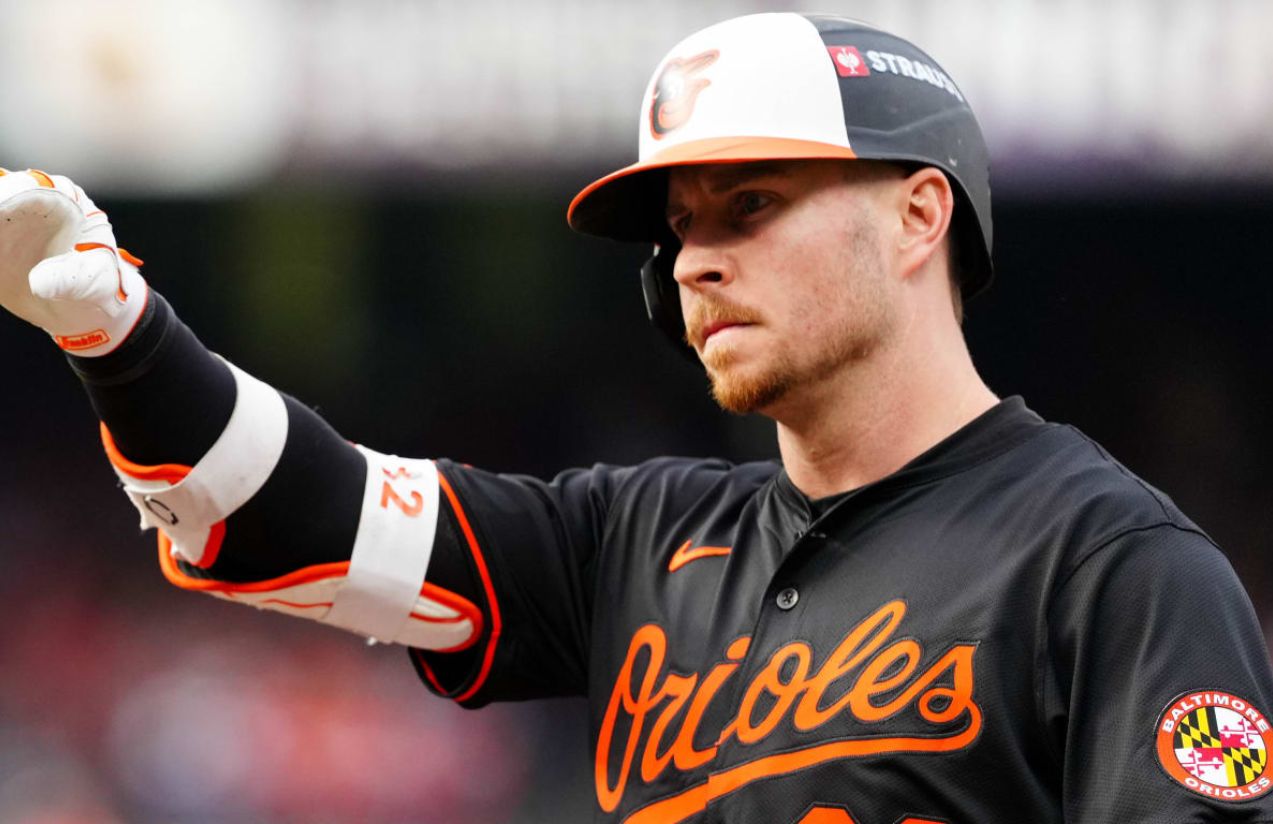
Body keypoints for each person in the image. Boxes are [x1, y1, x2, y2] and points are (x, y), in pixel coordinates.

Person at [2, 12, 1271, 823]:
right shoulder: (634, 540)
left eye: (751, 205)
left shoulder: (1109, 568)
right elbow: (289, 522)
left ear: (919, 215)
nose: (693, 261)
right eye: (679, 228)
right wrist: (121, 333)